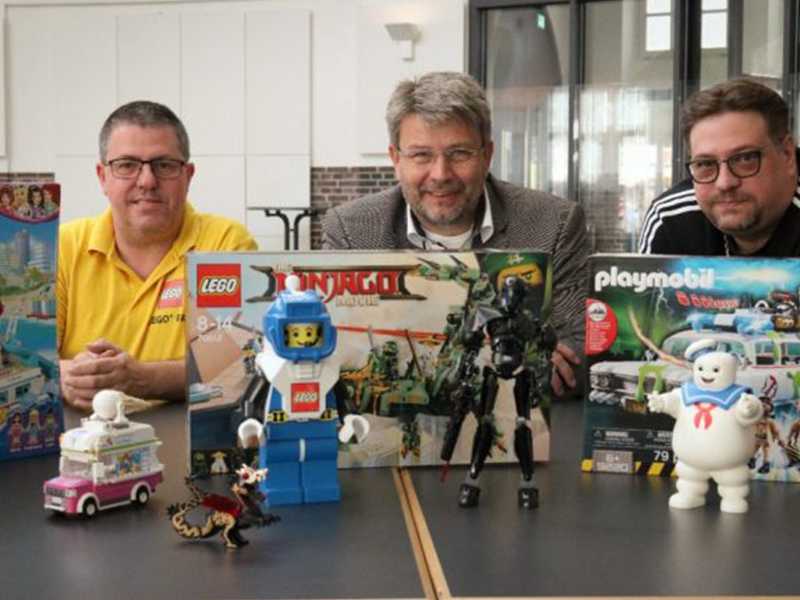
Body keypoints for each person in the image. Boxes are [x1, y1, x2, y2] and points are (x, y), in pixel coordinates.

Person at [322, 72, 589, 396]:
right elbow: (332, 345)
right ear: (396, 160)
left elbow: (580, 343)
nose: (440, 174)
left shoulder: (553, 224)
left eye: (459, 153)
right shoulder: (351, 230)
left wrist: (549, 358)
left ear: (487, 156)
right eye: (421, 155)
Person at [58, 101, 257, 411]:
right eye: (127, 165)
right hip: (81, 436)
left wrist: (144, 379)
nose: (147, 181)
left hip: (188, 435)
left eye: (164, 165)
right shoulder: (64, 247)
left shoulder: (225, 244)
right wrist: (69, 377)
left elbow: (236, 366)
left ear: (187, 176)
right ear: (102, 177)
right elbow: (21, 362)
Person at [639, 78, 800, 256]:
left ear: (788, 155)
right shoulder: (671, 219)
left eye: (745, 159)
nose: (725, 183)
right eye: (705, 164)